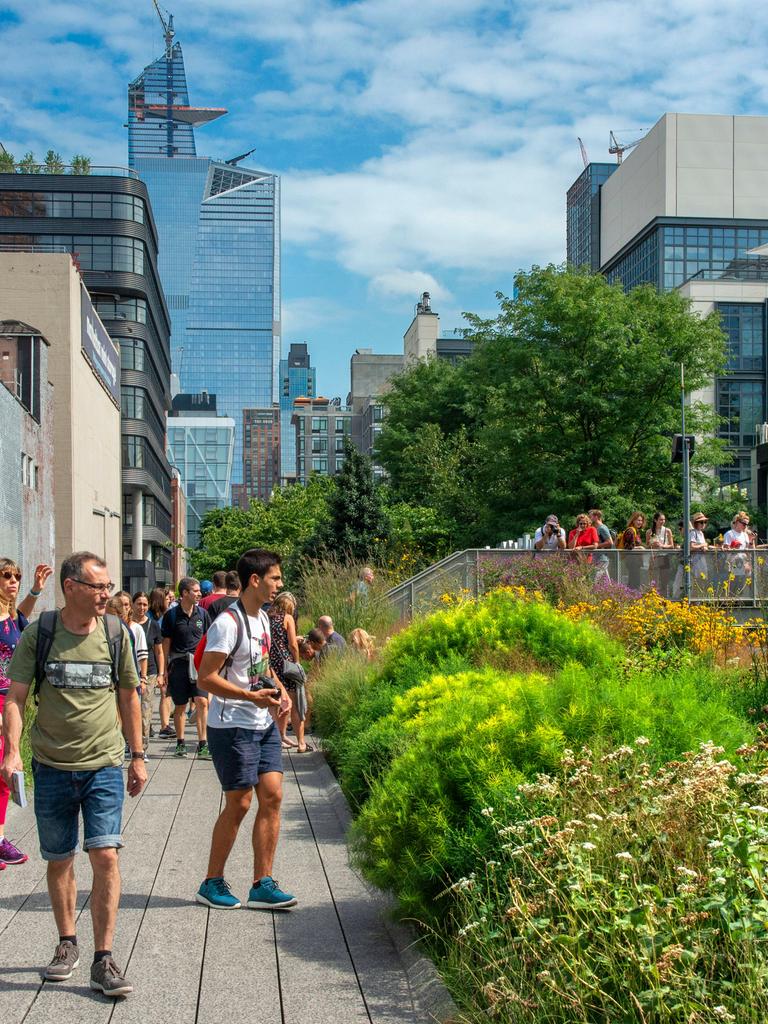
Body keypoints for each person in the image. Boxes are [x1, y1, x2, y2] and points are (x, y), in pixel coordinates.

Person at [0, 551, 146, 996]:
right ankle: (67, 943)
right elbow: (15, 697)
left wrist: (138, 755)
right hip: (51, 766)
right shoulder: (40, 633)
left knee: (106, 855)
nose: (106, 594)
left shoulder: (116, 633)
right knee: (60, 857)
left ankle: (104, 959)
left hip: (104, 764)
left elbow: (129, 696)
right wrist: (12, 752)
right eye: (98, 587)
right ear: (70, 587)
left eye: (107, 586)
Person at [196, 549, 297, 911]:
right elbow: (205, 678)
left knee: (272, 796)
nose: (279, 585)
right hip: (231, 726)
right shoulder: (227, 624)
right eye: (275, 578)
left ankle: (262, 883)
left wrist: (280, 691)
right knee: (239, 803)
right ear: (255, 580)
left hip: (262, 723)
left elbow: (262, 667)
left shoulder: (263, 619)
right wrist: (249, 697)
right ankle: (211, 882)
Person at [0, 559, 53, 868]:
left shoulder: (12, 618)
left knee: (6, 773)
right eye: (6, 575)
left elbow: (22, 613)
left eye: (16, 576)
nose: (13, 580)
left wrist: (34, 589)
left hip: (10, 703)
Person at [161, 577, 211, 759]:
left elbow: (209, 639)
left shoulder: (203, 614)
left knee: (202, 702)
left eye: (199, 591)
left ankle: (203, 744)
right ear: (184, 593)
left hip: (199, 665)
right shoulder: (171, 616)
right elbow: (166, 644)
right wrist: (163, 670)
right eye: (195, 591)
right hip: (179, 664)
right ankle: (180, 742)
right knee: (180, 705)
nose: (199, 594)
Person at [268, 593, 306, 751]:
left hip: (271, 664)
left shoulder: (266, 617)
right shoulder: (287, 618)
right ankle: (301, 742)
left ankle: (278, 737)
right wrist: (297, 662)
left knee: (276, 701)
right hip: (286, 664)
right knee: (294, 702)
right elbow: (292, 645)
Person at [132, 592, 164, 751]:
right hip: (129, 671)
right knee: (129, 709)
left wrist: (161, 674)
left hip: (149, 671)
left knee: (145, 709)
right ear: (133, 604)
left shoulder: (154, 625)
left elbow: (159, 651)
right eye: (139, 604)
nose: (142, 607)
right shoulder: (127, 624)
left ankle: (142, 746)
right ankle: (129, 742)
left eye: (145, 604)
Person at [148, 587, 173, 736]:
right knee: (151, 695)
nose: (169, 600)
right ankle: (149, 724)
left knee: (165, 692)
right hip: (154, 658)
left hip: (162, 657)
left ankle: (164, 725)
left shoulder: (165, 615)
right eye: (166, 598)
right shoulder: (151, 617)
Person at [722, 510, 754, 596]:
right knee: (732, 588)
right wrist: (733, 548)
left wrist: (748, 563)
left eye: (746, 524)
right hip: (733, 563)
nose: (745, 526)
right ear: (737, 522)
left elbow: (747, 550)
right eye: (743, 523)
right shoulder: (729, 534)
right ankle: (731, 603)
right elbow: (725, 549)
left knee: (741, 587)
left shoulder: (745, 535)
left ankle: (742, 602)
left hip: (743, 564)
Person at [646, 512, 676, 598]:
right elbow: (647, 546)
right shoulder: (649, 531)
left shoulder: (667, 530)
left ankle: (664, 600)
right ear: (655, 520)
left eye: (664, 519)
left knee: (664, 582)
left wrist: (662, 545)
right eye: (660, 519)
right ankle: (653, 599)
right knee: (653, 581)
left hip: (664, 557)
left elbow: (672, 546)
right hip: (654, 557)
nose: (663, 521)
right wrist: (652, 544)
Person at [617, 511, 647, 590]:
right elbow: (627, 547)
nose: (640, 522)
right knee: (634, 583)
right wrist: (640, 548)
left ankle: (632, 595)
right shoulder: (630, 531)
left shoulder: (636, 531)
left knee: (635, 582)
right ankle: (632, 596)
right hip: (632, 561)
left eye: (641, 520)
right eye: (638, 520)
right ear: (633, 520)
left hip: (636, 561)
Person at [588, 509, 614, 582]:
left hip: (602, 558)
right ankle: (612, 589)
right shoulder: (595, 528)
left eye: (590, 517)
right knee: (606, 582)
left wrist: (596, 545)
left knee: (594, 580)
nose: (588, 519)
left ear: (596, 517)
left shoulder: (602, 528)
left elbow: (610, 542)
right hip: (597, 557)